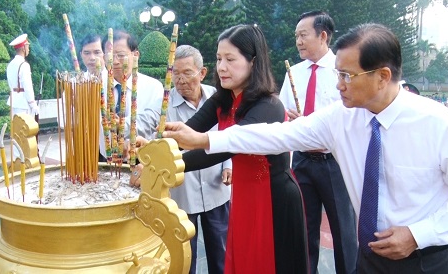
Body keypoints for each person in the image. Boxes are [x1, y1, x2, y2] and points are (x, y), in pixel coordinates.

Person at [163, 23, 448, 273]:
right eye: (338, 74)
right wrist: (204, 139)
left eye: (347, 76)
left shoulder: (442, 125)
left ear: (383, 76)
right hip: (372, 257)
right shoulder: (341, 118)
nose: (338, 85)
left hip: (431, 258)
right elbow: (275, 136)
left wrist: (418, 234)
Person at [155, 24, 308, 273]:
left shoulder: (269, 106)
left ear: (253, 61)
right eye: (218, 59)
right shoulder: (224, 97)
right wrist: (152, 149)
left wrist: (169, 163)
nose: (221, 67)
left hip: (272, 199)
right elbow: (187, 130)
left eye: (230, 59)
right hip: (244, 197)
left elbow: (225, 147)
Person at [137, 45, 232, 274]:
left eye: (187, 73)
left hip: (216, 190)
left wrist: (228, 165)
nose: (180, 80)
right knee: (184, 259)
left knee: (221, 256)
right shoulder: (163, 106)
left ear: (202, 73)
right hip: (182, 195)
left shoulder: (218, 99)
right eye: (175, 73)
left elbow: (229, 135)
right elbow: (146, 127)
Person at [280, 11, 357, 274]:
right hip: (301, 161)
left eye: (303, 35)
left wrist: (311, 123)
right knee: (304, 231)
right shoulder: (294, 73)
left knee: (344, 232)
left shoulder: (343, 71)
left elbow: (351, 117)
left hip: (334, 161)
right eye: (296, 36)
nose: (298, 42)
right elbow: (283, 114)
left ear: (323, 36)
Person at [102, 30, 164, 162]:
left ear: (135, 55)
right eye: (110, 56)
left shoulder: (154, 87)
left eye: (121, 55)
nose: (115, 61)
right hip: (104, 158)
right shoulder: (96, 86)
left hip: (143, 159)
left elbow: (155, 124)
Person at [7, 33, 38, 117]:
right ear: (23, 48)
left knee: (15, 129)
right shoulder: (24, 65)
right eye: (27, 46)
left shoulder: (10, 64)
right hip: (23, 103)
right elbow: (27, 87)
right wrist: (33, 104)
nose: (28, 49)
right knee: (24, 129)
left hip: (13, 101)